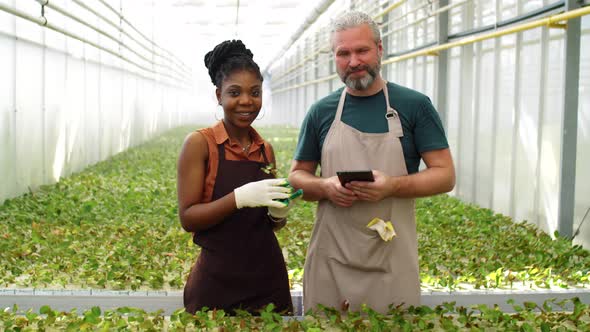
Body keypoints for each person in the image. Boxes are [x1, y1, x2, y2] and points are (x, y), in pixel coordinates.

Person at [288, 11, 455, 314]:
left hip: (392, 260)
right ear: (334, 57)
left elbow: (445, 175)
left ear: (380, 49)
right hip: (332, 260)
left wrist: (393, 185)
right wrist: (325, 186)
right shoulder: (321, 112)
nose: (353, 61)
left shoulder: (414, 106)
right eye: (343, 53)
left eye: (362, 50)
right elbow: (298, 176)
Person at [177, 40, 294, 315]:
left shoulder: (265, 150)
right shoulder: (200, 144)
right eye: (234, 92)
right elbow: (188, 218)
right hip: (217, 282)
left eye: (255, 92)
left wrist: (279, 214)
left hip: (268, 280)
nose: (246, 101)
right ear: (219, 95)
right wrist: (238, 198)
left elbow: (266, 227)